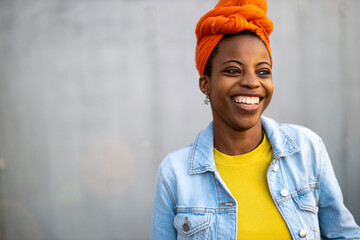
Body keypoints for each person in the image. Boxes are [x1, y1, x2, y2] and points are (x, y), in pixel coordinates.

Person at [151, 0, 360, 239]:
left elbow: (345, 235)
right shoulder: (175, 173)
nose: (252, 82)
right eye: (233, 70)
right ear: (205, 84)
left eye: (263, 72)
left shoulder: (307, 149)